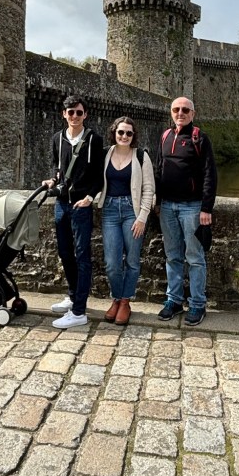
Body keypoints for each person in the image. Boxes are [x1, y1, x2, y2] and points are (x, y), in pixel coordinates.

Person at [154, 96, 217, 326]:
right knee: (173, 256)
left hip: (192, 206)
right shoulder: (165, 136)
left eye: (185, 110)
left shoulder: (199, 138)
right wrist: (158, 201)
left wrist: (206, 208)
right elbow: (159, 169)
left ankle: (198, 304)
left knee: (195, 257)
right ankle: (174, 300)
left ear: (193, 114)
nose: (180, 113)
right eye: (176, 109)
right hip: (168, 206)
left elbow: (210, 174)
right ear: (171, 112)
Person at [42, 95, 104, 329]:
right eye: (71, 112)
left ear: (85, 115)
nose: (75, 116)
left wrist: (90, 197)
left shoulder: (94, 140)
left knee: (82, 255)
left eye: (79, 112)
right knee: (65, 253)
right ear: (64, 114)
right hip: (62, 204)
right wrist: (53, 180)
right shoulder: (57, 139)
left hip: (81, 205)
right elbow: (57, 168)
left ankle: (79, 311)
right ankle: (73, 295)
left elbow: (99, 175)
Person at [96, 116, 155, 326]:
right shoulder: (105, 154)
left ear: (133, 135)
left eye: (129, 133)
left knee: (132, 260)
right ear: (114, 133)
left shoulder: (141, 156)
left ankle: (125, 302)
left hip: (132, 211)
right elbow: (95, 181)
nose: (124, 136)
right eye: (121, 132)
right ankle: (116, 297)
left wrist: (142, 217)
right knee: (112, 263)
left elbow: (149, 189)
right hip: (110, 211)